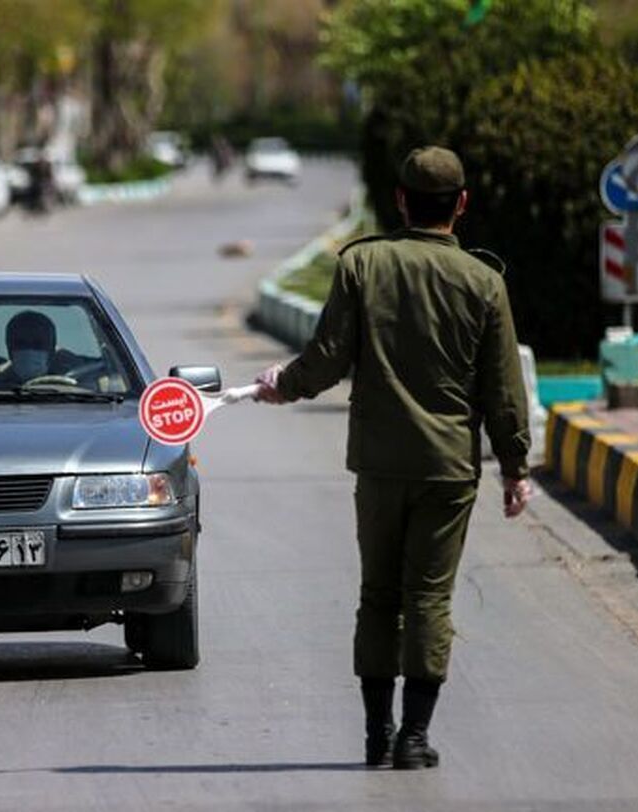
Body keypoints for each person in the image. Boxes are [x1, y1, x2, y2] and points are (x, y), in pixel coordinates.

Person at [253, 146, 532, 770]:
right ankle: (413, 736)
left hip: (378, 464)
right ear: (461, 205)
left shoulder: (363, 265)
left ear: (400, 200)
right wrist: (515, 467)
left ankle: (376, 734)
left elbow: (326, 357)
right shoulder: (485, 282)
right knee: (429, 598)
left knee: (378, 594)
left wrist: (283, 386)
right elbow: (503, 390)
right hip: (448, 469)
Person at [5, 310, 58, 382]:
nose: (29, 350)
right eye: (20, 344)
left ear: (52, 350)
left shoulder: (71, 387)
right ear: (9, 348)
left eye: (38, 344)